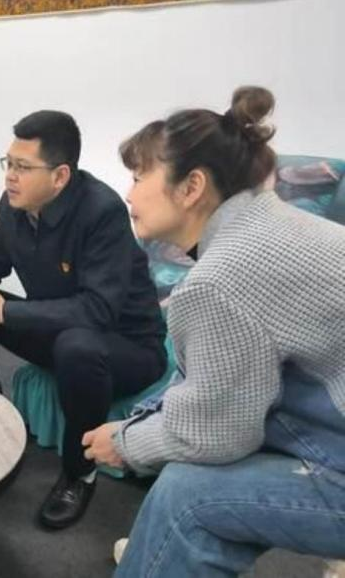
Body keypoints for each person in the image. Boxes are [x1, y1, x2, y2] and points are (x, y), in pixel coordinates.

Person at [83, 86, 345, 577]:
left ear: (192, 187)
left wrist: (126, 443)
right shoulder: (270, 222)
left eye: (139, 177)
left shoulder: (221, 279)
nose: (129, 193)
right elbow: (212, 389)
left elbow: (217, 433)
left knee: (186, 497)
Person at [0, 110, 166, 529]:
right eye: (8, 163)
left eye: (22, 167)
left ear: (60, 176)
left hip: (125, 348)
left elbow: (98, 310)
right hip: (59, 333)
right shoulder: (14, 204)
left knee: (76, 345)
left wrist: (6, 310)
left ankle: (79, 473)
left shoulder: (102, 212)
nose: (10, 176)